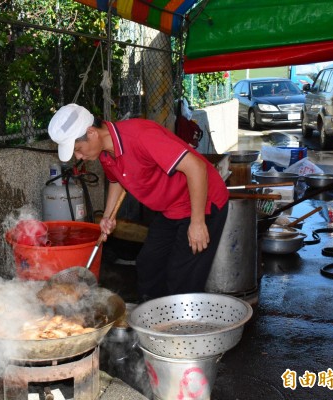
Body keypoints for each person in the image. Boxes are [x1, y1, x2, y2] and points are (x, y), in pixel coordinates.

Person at [48, 103, 229, 301]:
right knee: (149, 263)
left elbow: (196, 168)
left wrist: (197, 222)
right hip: (171, 208)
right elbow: (116, 180)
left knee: (182, 277)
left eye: (78, 149)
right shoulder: (106, 152)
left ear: (91, 132)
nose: (79, 156)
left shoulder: (141, 136)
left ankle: (182, 326)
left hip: (202, 203)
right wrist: (109, 216)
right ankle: (156, 319)